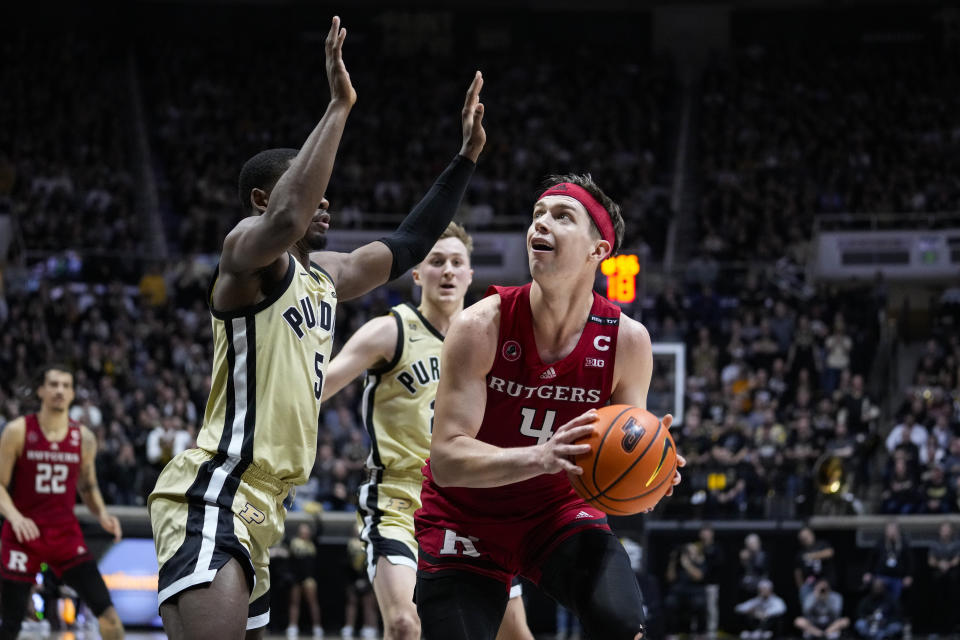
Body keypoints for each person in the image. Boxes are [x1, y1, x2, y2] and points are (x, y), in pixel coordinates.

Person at [149, 16, 488, 640]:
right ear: (260, 200)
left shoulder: (328, 275)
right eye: (311, 191)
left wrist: (464, 160)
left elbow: (410, 242)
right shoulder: (245, 257)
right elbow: (286, 220)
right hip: (217, 486)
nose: (325, 202)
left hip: (266, 506)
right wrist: (338, 106)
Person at [414, 173, 684, 640]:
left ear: (598, 250)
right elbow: (447, 461)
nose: (541, 224)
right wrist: (541, 456)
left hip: (556, 515)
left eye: (562, 217)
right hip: (465, 517)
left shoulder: (628, 341)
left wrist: (652, 470)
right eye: (537, 215)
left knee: (623, 623)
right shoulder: (480, 326)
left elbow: (625, 445)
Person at [323, 223, 533, 640]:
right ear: (417, 273)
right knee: (404, 624)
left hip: (471, 503)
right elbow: (318, 387)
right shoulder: (390, 330)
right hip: (399, 499)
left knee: (515, 635)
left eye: (458, 263)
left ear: (471, 275)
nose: (448, 271)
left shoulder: (492, 339)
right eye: (437, 262)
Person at [0, 364, 124, 640]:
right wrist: (16, 517)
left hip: (64, 535)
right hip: (23, 535)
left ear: (72, 394)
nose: (60, 391)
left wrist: (103, 514)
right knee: (10, 625)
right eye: (54, 385)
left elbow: (88, 486)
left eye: (66, 386)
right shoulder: (18, 431)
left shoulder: (84, 438)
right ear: (41, 391)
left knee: (110, 617)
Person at [285, 523, 323, 639]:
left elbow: (320, 531)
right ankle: (293, 627)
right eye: (303, 530)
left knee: (313, 603)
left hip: (309, 578)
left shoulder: (312, 543)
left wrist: (316, 518)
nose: (305, 532)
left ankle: (317, 627)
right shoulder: (293, 542)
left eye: (307, 530)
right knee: (294, 602)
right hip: (296, 577)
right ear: (299, 532)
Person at [928, 521, 960, 633]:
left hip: (953, 576)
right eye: (943, 529)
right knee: (937, 602)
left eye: (947, 529)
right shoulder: (934, 543)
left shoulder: (956, 542)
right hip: (938, 576)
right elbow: (930, 560)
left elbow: (957, 558)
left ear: (951, 531)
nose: (945, 531)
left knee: (954, 602)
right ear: (940, 531)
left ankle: (953, 629)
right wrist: (939, 564)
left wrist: (948, 564)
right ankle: (936, 630)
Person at [795, 527, 836, 605]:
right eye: (802, 538)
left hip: (825, 580)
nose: (805, 539)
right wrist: (800, 586)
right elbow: (798, 572)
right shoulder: (800, 553)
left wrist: (813, 556)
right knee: (805, 593)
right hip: (810, 583)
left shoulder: (822, 544)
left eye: (806, 536)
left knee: (827, 601)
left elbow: (830, 552)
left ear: (812, 535)